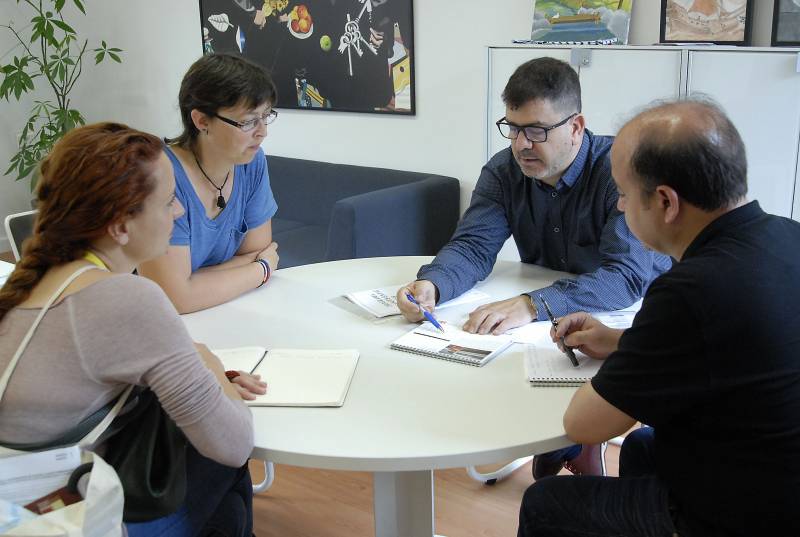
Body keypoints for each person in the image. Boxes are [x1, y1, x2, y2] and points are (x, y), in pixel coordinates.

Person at [518, 99, 800, 536]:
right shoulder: (787, 236)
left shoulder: (692, 289)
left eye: (625, 195)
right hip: (778, 473)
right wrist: (619, 341)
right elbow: (724, 342)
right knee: (643, 447)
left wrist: (626, 362)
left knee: (546, 502)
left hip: (750, 512)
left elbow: (582, 424)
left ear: (666, 202)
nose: (619, 208)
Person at [397, 57, 671, 478]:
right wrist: (433, 283)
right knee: (498, 352)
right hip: (552, 312)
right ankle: (567, 442)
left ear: (576, 126)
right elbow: (473, 246)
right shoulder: (504, 171)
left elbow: (626, 276)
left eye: (537, 131)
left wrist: (530, 303)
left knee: (548, 346)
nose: (522, 144)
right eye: (513, 128)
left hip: (631, 312)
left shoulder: (618, 170)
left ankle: (576, 441)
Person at [0, 123, 267, 536]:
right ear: (121, 226)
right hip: (69, 516)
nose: (179, 213)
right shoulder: (128, 299)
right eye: (168, 203)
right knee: (222, 469)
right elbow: (234, 444)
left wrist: (191, 366)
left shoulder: (33, 283)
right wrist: (209, 364)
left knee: (225, 507)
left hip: (22, 502)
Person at [138, 53, 280, 313]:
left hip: (227, 311)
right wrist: (261, 269)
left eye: (266, 116)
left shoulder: (252, 162)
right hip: (160, 323)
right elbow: (172, 297)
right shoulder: (161, 175)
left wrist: (193, 284)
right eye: (248, 121)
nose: (263, 131)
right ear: (202, 120)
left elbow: (259, 249)